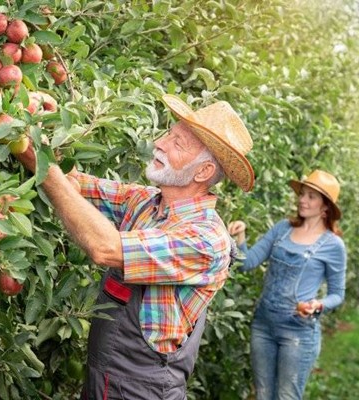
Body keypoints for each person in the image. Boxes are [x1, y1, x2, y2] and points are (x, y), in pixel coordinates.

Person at [16, 94, 255, 399]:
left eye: (177, 143)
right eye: (169, 133)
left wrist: (39, 165)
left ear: (203, 172)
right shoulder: (144, 201)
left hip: (146, 389)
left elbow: (106, 247)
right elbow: (73, 181)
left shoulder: (206, 241)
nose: (160, 142)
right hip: (102, 378)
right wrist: (39, 124)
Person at [228, 169, 347, 400]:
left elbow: (337, 294)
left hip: (298, 331)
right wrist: (241, 237)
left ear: (326, 207)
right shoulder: (282, 229)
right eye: (302, 194)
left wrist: (317, 304)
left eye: (311, 196)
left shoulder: (333, 246)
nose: (302, 200)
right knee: (263, 394)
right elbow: (247, 263)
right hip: (263, 325)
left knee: (287, 396)